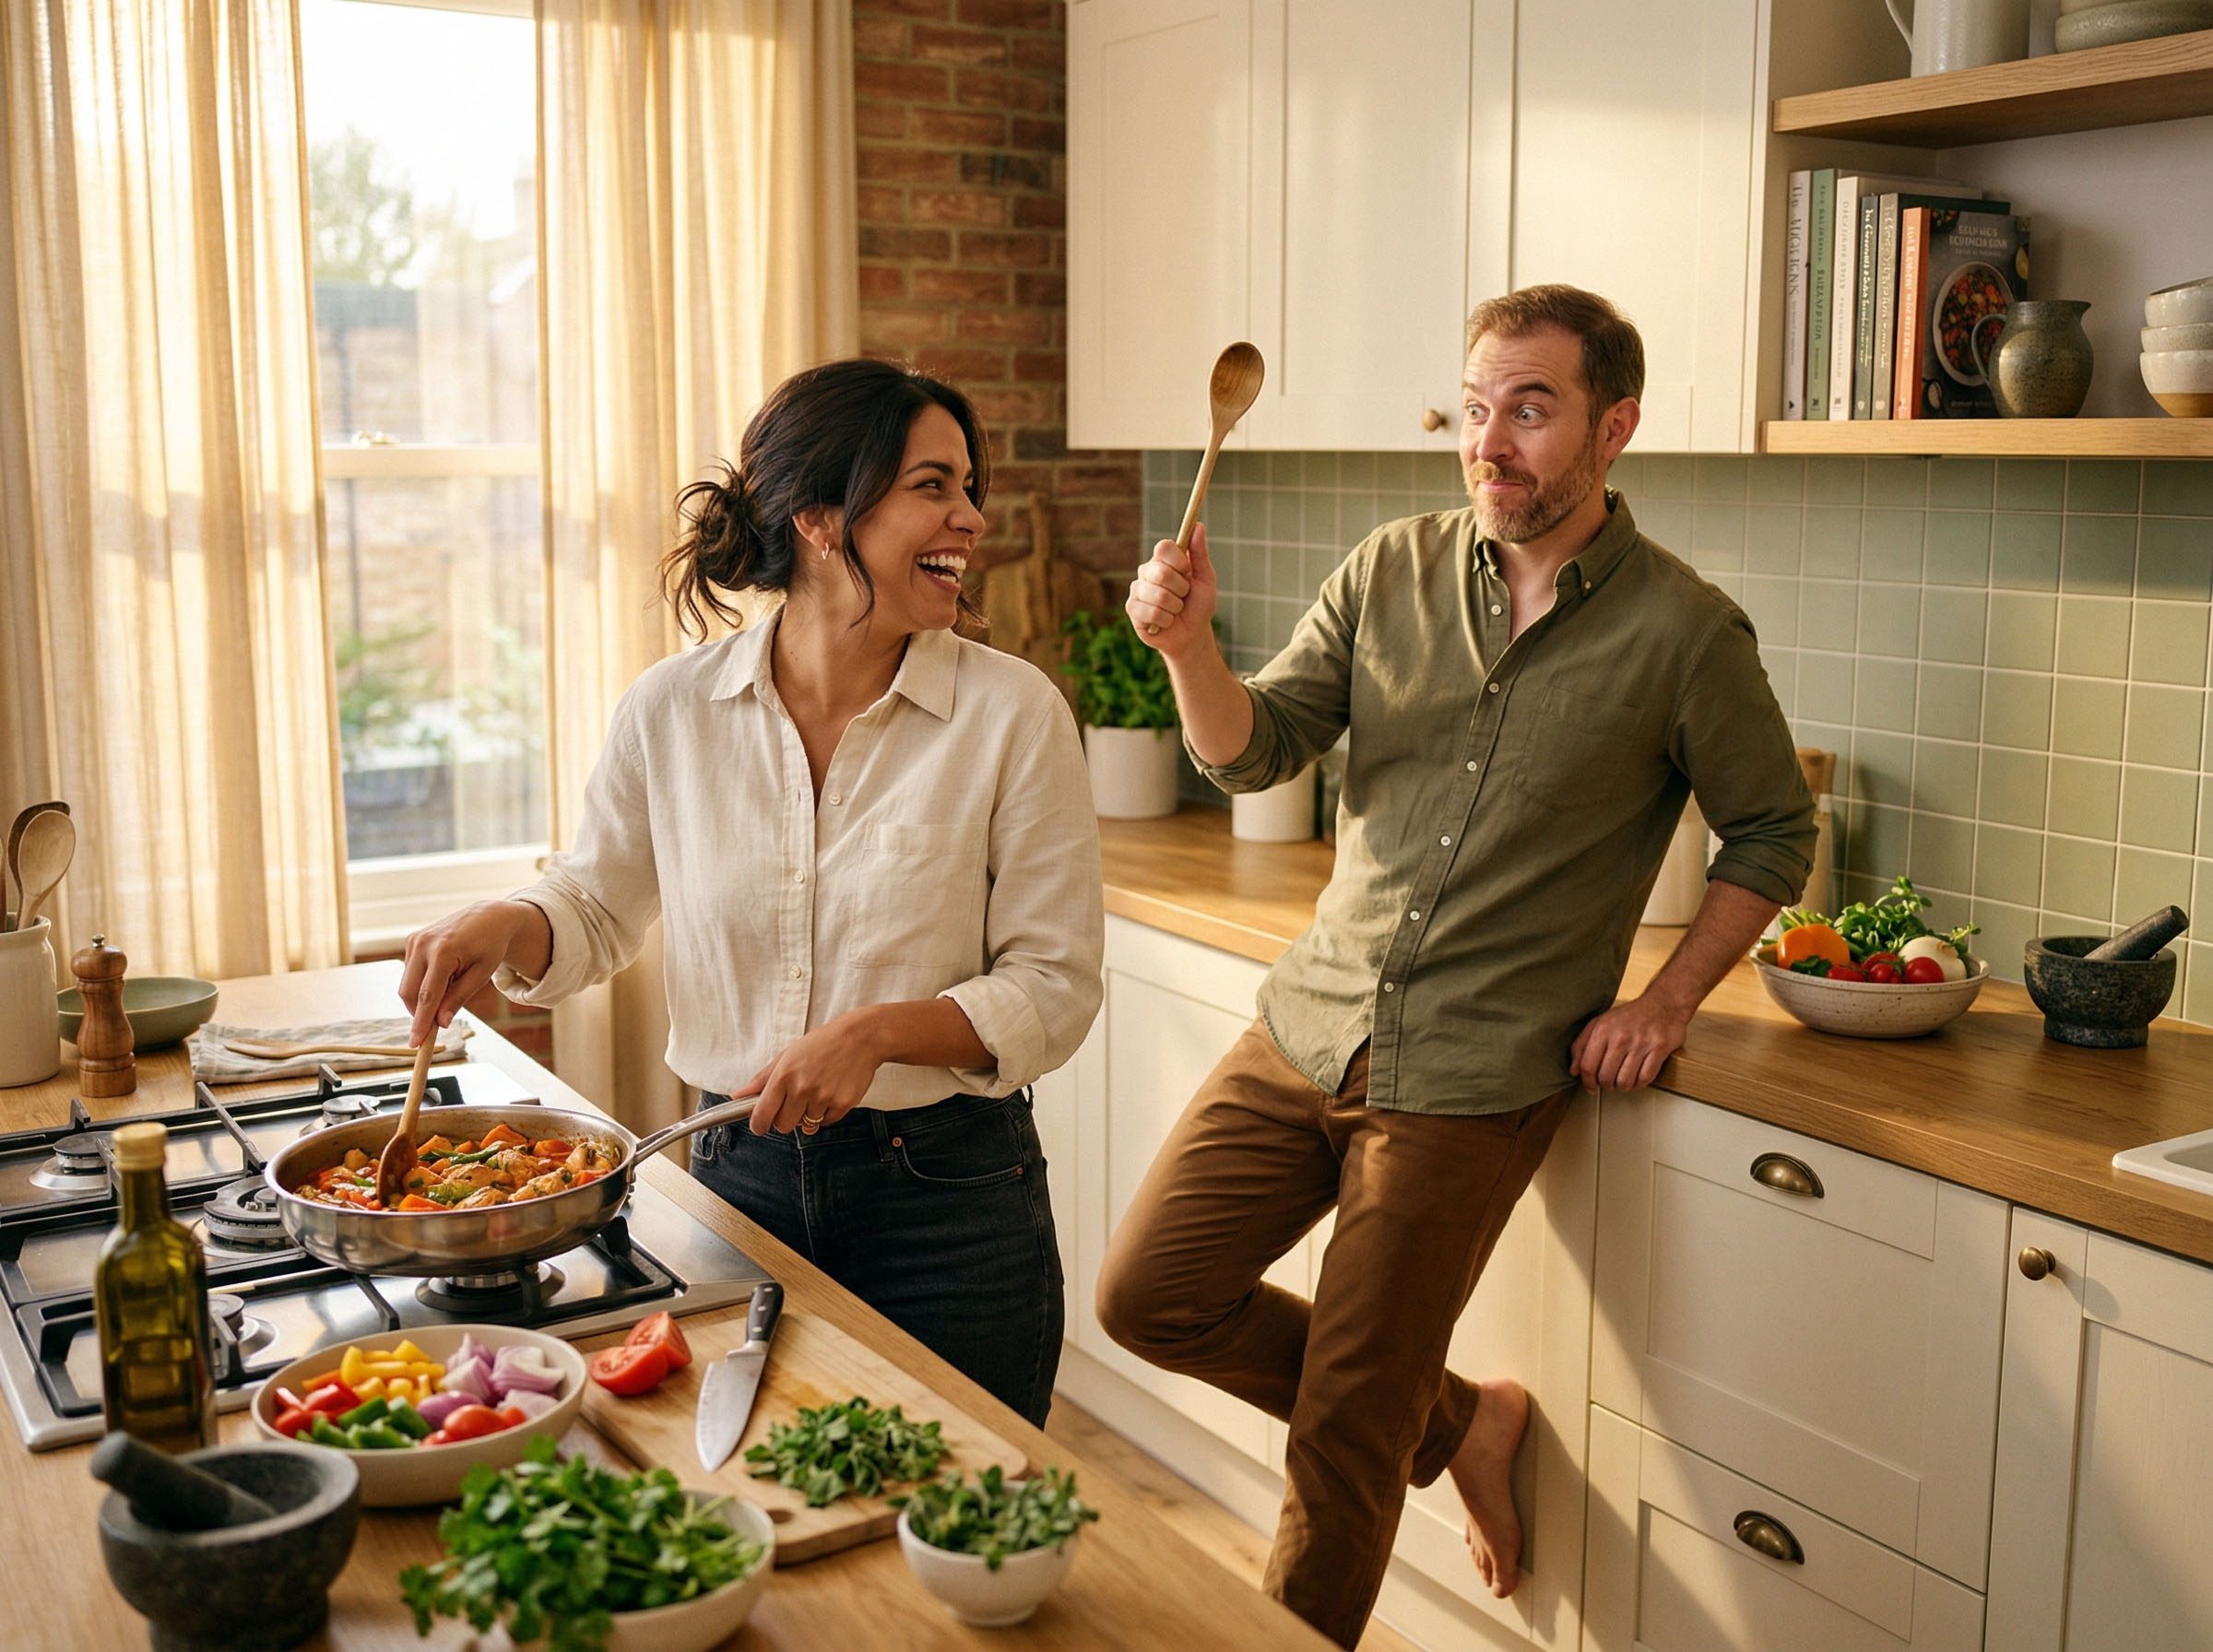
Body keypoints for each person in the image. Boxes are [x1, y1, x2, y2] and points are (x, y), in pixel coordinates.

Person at [1098, 285, 1817, 1646]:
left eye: (1530, 411)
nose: (1491, 442)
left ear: (1617, 429)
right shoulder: (1389, 571)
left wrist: (1667, 1002)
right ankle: (1461, 1421)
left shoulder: (1685, 634)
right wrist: (1188, 649)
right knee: (1148, 1295)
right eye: (1477, 410)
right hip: (1309, 1023)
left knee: (1339, 1445)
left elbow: (1776, 829)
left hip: (1475, 1079)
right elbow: (1255, 750)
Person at [398, 358, 1104, 1426]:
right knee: (754, 1506)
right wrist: (512, 919)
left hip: (951, 1206)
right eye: (933, 485)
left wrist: (875, 1034)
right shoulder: (672, 710)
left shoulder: (1014, 716)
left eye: (969, 486)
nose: (971, 517)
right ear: (823, 519)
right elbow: (595, 902)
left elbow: (1054, 985)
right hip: (733, 1184)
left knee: (968, 1529)